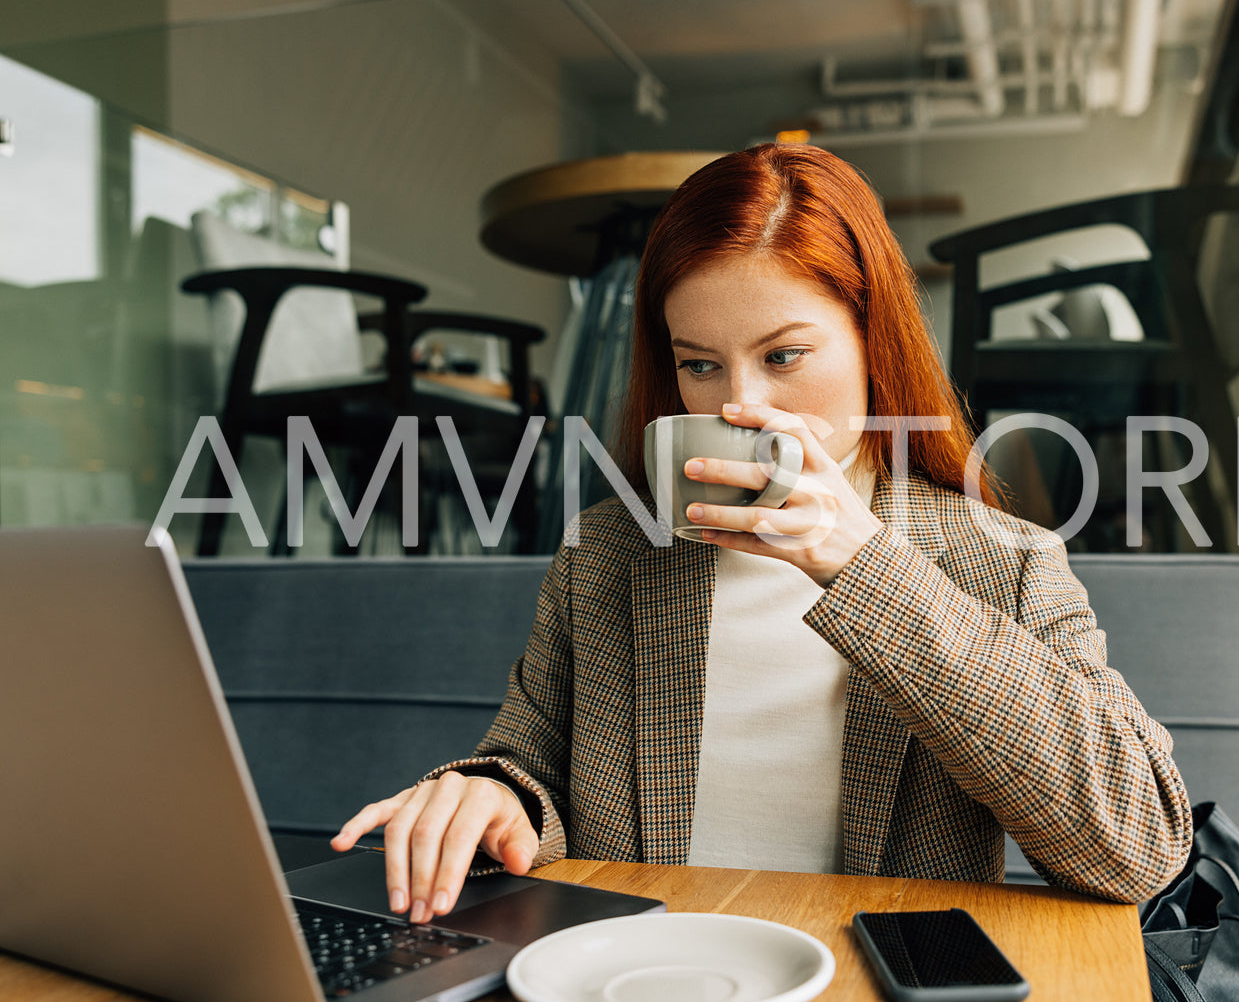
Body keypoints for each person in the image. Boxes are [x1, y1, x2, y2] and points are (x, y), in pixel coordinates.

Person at [333, 143, 1192, 924]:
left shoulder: (998, 561)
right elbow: (528, 768)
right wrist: (491, 797)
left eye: (783, 357)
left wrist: (863, 566)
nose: (738, 405)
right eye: (699, 363)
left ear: (872, 339)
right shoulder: (608, 556)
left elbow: (1136, 850)